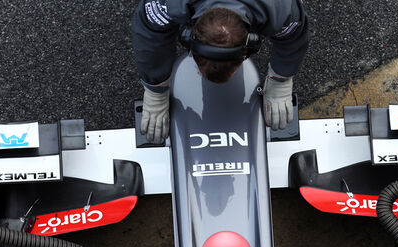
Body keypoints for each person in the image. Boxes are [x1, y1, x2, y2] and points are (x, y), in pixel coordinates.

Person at [132, 0, 309, 143]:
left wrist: (280, 81)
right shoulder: (167, 4)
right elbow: (150, 34)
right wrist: (156, 90)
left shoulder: (280, 8)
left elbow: (294, 36)